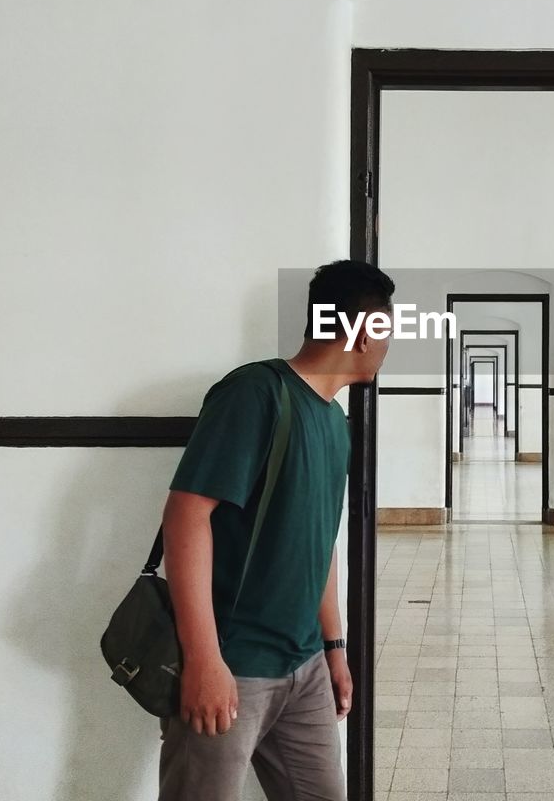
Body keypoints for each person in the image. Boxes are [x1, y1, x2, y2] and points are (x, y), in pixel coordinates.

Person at [157, 259, 395, 801]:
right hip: (233, 665)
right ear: (363, 333)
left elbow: (321, 541)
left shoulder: (335, 422)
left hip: (305, 666)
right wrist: (204, 659)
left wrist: (334, 647)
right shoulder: (256, 393)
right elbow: (187, 515)